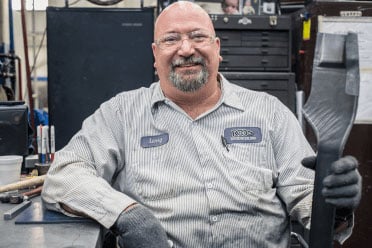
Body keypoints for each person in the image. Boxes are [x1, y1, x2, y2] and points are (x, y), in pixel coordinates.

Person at [42, 1, 362, 247]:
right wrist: (126, 214)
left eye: (198, 37)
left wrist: (335, 204)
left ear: (217, 49)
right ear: (155, 54)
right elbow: (65, 174)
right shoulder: (121, 114)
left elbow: (307, 195)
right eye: (171, 39)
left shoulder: (269, 113)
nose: (186, 49)